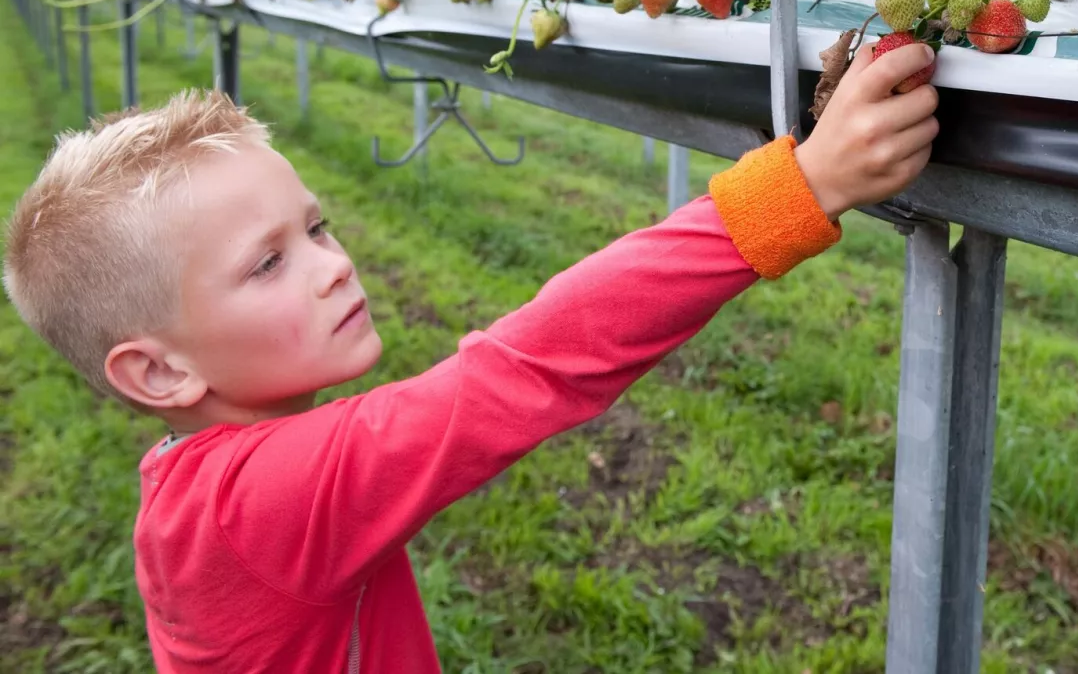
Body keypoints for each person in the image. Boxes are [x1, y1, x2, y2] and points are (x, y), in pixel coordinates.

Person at [1, 39, 940, 673]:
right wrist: (801, 187)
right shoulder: (260, 506)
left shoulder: (193, 484)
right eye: (269, 263)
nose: (332, 267)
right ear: (159, 372)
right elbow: (522, 370)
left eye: (318, 227)